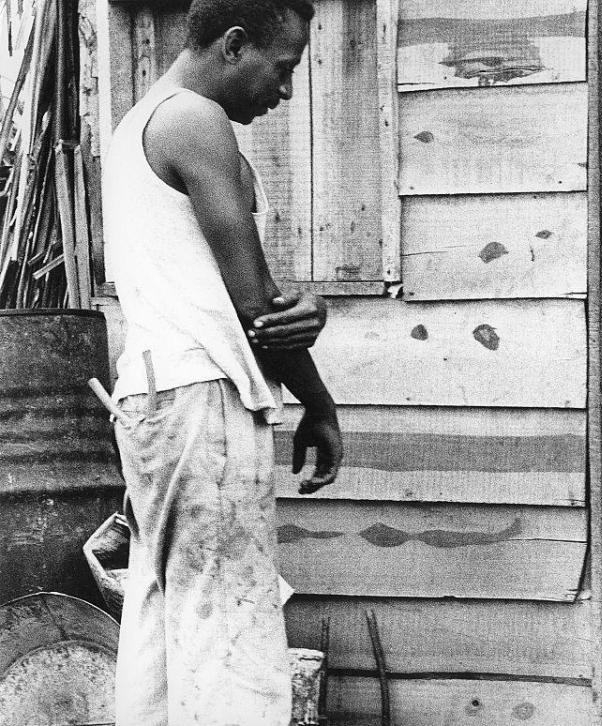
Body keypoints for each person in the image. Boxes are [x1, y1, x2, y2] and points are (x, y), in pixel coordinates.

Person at [101, 0, 343, 724]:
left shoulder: (140, 123)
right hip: (200, 397)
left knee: (168, 620)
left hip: (154, 401)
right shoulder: (193, 119)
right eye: (285, 68)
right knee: (229, 633)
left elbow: (246, 298)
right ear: (236, 45)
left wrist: (288, 315)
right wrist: (320, 403)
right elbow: (258, 306)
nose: (285, 91)